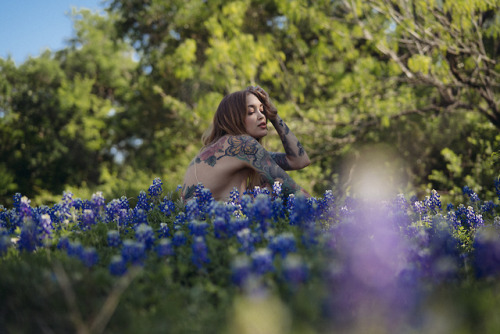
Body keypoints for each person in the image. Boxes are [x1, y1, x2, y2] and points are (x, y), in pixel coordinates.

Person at [181, 86, 310, 201]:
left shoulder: (229, 148)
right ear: (234, 118)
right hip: (212, 224)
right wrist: (324, 214)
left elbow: (299, 161)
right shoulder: (242, 144)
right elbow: (295, 192)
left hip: (198, 222)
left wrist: (274, 115)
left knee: (263, 187)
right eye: (251, 112)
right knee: (270, 188)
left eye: (262, 110)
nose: (262, 116)